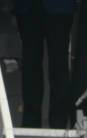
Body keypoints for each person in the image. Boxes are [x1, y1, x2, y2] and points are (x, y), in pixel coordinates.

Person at [14, 0, 76, 128]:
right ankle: (30, 126)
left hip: (59, 8)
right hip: (28, 8)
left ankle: (59, 126)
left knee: (59, 67)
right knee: (30, 67)